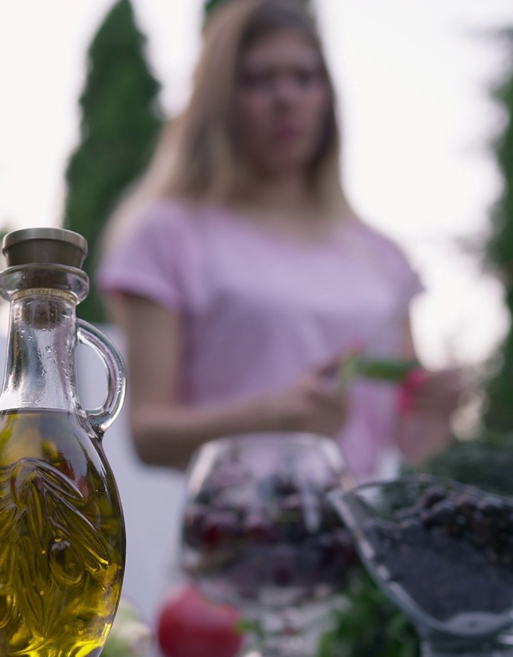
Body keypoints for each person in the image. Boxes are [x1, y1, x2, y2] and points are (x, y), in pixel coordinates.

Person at [97, 0, 465, 480]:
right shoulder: (167, 235)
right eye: (259, 79)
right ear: (219, 98)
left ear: (327, 96)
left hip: (361, 541)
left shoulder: (382, 255)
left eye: (304, 77)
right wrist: (272, 416)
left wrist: (434, 413)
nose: (286, 97)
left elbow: (412, 442)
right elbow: (148, 435)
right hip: (238, 539)